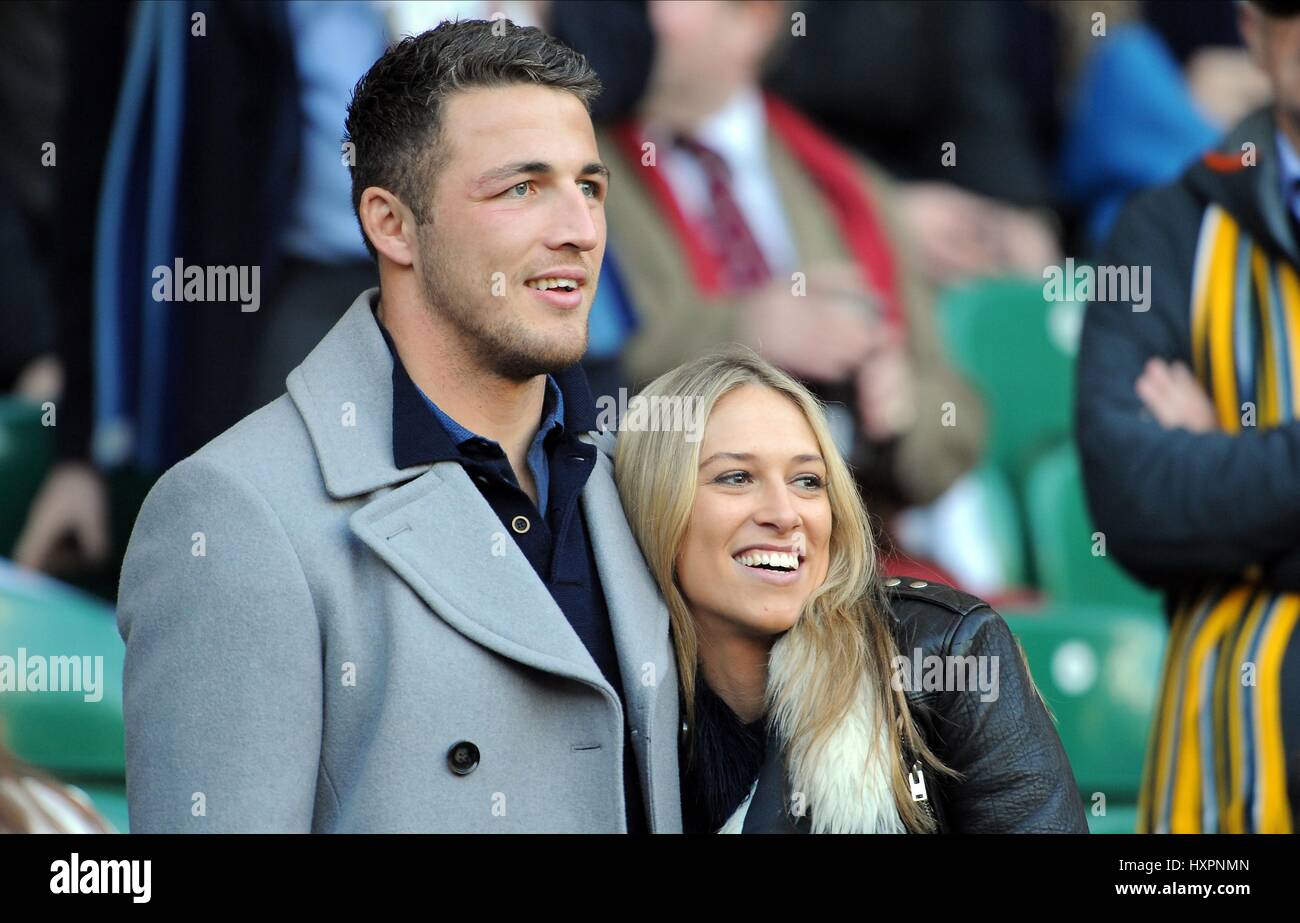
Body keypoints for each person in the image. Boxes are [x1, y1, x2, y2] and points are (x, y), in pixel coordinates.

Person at [115, 19, 679, 833]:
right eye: (521, 187)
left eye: (589, 186)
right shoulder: (232, 513)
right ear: (391, 223)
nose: (580, 230)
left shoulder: (640, 480)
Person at [612, 348, 1088, 833]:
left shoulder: (945, 655)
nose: (784, 513)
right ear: (657, 504)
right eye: (736, 477)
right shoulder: (611, 712)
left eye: (807, 481)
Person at [1075, 0, 1300, 834]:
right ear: (1251, 26)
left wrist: (1229, 460)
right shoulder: (1165, 231)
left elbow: (1188, 497)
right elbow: (1136, 504)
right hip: (1221, 790)